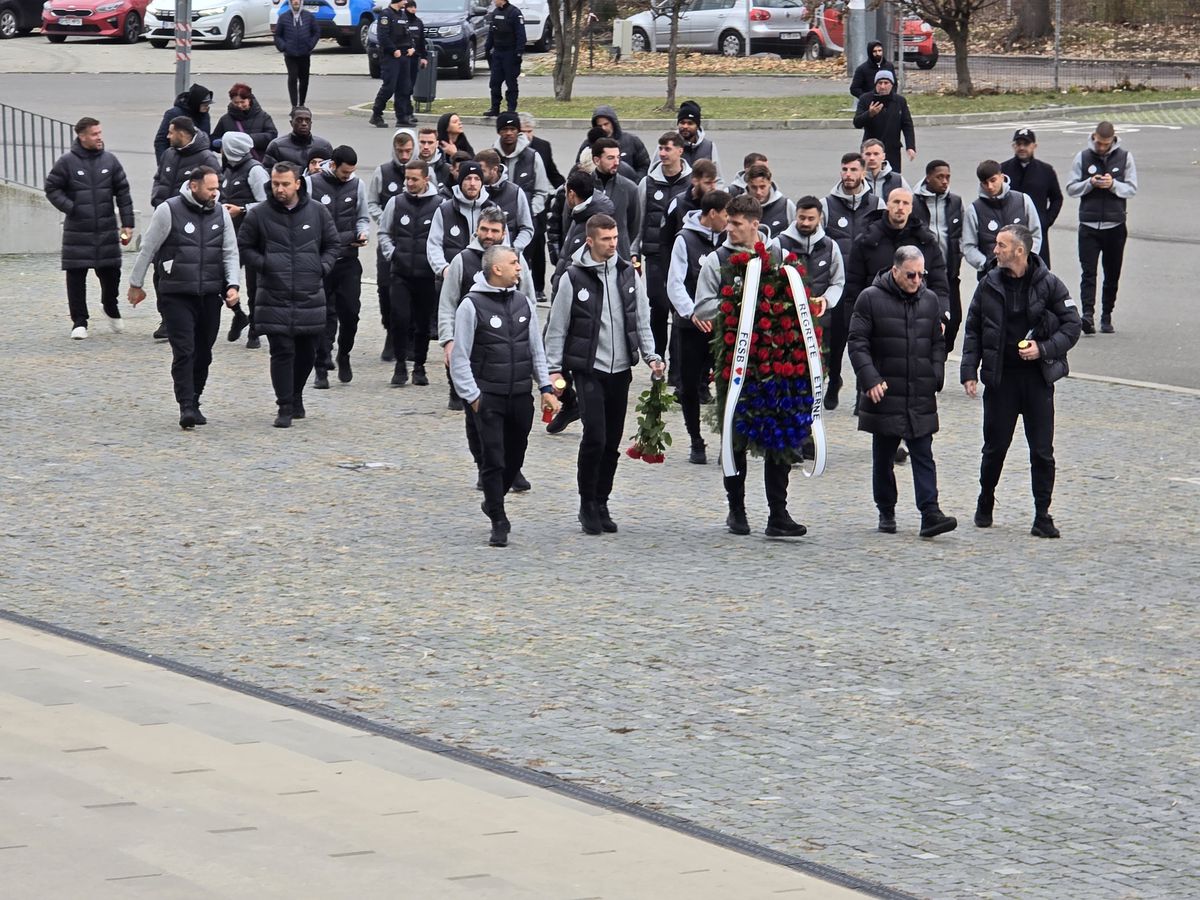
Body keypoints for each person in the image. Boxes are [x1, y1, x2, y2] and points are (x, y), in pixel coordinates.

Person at [693, 195, 806, 538]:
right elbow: (702, 306)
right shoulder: (717, 260)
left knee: (780, 435)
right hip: (735, 360)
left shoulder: (778, 256)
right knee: (736, 436)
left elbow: (796, 298)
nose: (729, 228)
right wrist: (736, 306)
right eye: (728, 221)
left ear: (755, 224)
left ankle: (778, 514)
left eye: (736, 223)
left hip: (775, 360)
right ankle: (737, 509)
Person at [545, 214, 663, 535]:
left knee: (611, 441)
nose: (613, 244)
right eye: (606, 239)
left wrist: (652, 356)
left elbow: (641, 318)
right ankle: (586, 503)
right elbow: (557, 327)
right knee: (595, 436)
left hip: (621, 370)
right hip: (588, 369)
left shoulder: (628, 273)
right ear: (590, 241)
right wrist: (553, 370)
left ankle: (602, 501)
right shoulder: (573, 277)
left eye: (615, 238)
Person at [961, 224, 1080, 539]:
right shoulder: (988, 284)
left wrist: (1044, 349)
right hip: (1002, 380)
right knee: (995, 448)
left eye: (1001, 245)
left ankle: (1042, 514)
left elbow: (1072, 326)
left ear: (1019, 251)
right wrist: (969, 371)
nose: (995, 250)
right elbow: (973, 328)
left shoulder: (1049, 284)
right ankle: (986, 497)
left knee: (1042, 451)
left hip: (1037, 380)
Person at [450, 245, 559, 547]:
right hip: (489, 397)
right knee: (494, 457)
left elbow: (536, 349)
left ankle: (493, 498)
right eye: (513, 263)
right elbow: (460, 357)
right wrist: (473, 397)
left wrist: (546, 387)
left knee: (516, 454)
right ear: (497, 269)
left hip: (521, 395)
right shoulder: (471, 305)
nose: (519, 267)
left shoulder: (523, 302)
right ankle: (498, 518)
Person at [847, 246, 956, 538]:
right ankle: (886, 510)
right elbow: (857, 342)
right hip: (885, 392)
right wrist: (870, 379)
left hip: (919, 391)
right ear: (895, 271)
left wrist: (936, 374)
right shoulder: (870, 298)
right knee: (884, 458)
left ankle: (930, 513)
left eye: (921, 274)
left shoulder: (929, 300)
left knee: (923, 453)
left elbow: (937, 342)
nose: (917, 280)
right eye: (911, 275)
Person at [128, 167, 240, 429]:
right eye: (210, 189)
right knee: (184, 351)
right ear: (193, 186)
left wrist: (233, 285)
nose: (215, 193)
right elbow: (148, 249)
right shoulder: (168, 210)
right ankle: (186, 405)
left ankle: (196, 398)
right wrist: (136, 284)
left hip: (209, 294)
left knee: (204, 353)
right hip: (176, 294)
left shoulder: (221, 214)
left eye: (217, 188)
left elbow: (230, 252)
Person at [438, 208, 536, 483]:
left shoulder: (516, 262)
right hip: (472, 351)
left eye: (494, 231)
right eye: (484, 229)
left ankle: (511, 468)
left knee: (511, 417)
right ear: (477, 230)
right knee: (476, 414)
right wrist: (448, 341)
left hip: (508, 350)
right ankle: (484, 465)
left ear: (504, 233)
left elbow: (527, 301)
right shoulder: (463, 260)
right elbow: (447, 303)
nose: (489, 235)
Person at [238, 162, 339, 428]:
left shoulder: (317, 212)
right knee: (282, 351)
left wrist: (321, 267)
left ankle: (296, 395)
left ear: (297, 184)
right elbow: (245, 246)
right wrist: (265, 264)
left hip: (309, 294)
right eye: (275, 184)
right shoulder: (259, 214)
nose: (279, 189)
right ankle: (284, 405)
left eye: (285, 184)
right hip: (274, 294)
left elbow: (332, 244)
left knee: (306, 353)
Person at [44, 117, 134, 340]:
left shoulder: (110, 161)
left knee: (111, 273)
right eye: (94, 134)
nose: (99, 137)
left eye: (100, 133)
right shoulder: (67, 162)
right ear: (82, 136)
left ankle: (110, 306)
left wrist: (128, 224)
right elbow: (52, 187)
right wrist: (71, 208)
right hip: (77, 230)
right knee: (76, 277)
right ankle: (79, 321)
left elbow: (123, 192)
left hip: (106, 229)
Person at [666, 189, 728, 464]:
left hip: (723, 327)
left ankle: (728, 441)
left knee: (726, 384)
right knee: (689, 386)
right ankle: (696, 440)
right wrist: (693, 312)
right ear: (712, 214)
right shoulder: (685, 239)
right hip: (691, 327)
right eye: (725, 215)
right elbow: (675, 282)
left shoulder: (728, 239)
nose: (729, 221)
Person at [819, 151, 884, 410]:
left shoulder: (876, 204)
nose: (848, 175)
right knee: (835, 342)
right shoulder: (827, 204)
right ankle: (833, 380)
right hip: (838, 286)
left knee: (864, 341)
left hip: (866, 286)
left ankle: (861, 392)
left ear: (863, 172)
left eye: (853, 170)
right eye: (845, 169)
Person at [306, 145, 370, 388]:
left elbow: (362, 217)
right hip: (321, 262)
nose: (348, 176)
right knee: (321, 316)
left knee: (351, 314)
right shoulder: (311, 184)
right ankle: (321, 366)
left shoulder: (357, 185)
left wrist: (362, 233)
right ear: (332, 165)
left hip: (347, 261)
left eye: (351, 172)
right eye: (344, 172)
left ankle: (344, 353)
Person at [1066, 121, 1138, 334]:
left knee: (1112, 273)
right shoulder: (1082, 157)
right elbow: (1071, 188)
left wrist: (1113, 185)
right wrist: (1090, 183)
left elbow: (1131, 189)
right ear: (1093, 137)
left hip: (1115, 224)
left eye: (1106, 144)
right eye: (1098, 143)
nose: (1101, 148)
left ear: (1113, 141)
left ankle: (1107, 315)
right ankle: (1088, 315)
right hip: (1089, 224)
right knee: (1088, 273)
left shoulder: (1125, 157)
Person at [378, 159, 443, 386]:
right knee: (400, 318)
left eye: (415, 179)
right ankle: (400, 364)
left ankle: (419, 365)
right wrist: (393, 253)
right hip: (401, 273)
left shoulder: (439, 205)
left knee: (423, 323)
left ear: (426, 179)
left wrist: (437, 263)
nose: (410, 183)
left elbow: (443, 238)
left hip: (426, 275)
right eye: (407, 178)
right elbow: (384, 232)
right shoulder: (396, 202)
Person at [633, 131, 692, 359]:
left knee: (679, 308)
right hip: (655, 255)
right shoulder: (647, 183)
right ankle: (657, 359)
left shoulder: (691, 182)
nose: (663, 153)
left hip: (683, 255)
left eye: (668, 149)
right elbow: (639, 221)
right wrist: (634, 252)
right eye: (660, 148)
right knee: (658, 305)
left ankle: (677, 363)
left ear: (680, 151)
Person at [776, 195, 846, 367]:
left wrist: (826, 300)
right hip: (786, 324)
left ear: (820, 218)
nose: (805, 222)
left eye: (811, 218)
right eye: (802, 217)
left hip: (820, 323)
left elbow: (838, 282)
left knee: (819, 370)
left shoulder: (831, 246)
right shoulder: (778, 244)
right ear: (795, 215)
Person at [367, 129, 415, 362]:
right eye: (400, 151)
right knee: (385, 289)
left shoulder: (421, 172)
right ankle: (390, 331)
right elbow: (372, 202)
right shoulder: (383, 172)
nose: (404, 156)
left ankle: (408, 338)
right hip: (389, 242)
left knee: (410, 292)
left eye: (408, 151)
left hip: (413, 243)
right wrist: (386, 218)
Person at [217, 131, 269, 347]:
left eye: (223, 146)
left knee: (254, 284)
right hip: (230, 235)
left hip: (253, 236)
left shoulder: (255, 170)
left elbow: (267, 203)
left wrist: (242, 209)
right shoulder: (228, 169)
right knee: (222, 277)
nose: (220, 150)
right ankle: (239, 314)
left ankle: (255, 329)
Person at [913, 159, 964, 352]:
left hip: (949, 273)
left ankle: (942, 354)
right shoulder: (914, 202)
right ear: (928, 178)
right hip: (922, 275)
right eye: (939, 177)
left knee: (954, 320)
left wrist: (958, 256)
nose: (945, 181)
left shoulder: (955, 202)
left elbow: (961, 234)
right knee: (924, 321)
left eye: (947, 177)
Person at [962, 159, 1042, 279]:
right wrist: (985, 264)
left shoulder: (1023, 200)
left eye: (993, 180)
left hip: (1023, 272)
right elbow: (968, 246)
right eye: (985, 183)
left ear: (1002, 177)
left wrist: (1028, 258)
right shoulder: (974, 210)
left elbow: (1035, 234)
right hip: (991, 276)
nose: (990, 186)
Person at [1001, 128, 1063, 268]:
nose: (1022, 148)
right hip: (1010, 232)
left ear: (1034, 146)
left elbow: (1057, 198)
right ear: (1014, 146)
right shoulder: (1004, 170)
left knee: (1038, 272)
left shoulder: (1046, 170)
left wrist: (1046, 221)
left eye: (1026, 144)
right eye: (1019, 144)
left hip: (1037, 232)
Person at [428, 160, 498, 281]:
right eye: (468, 178)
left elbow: (503, 244)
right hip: (452, 277)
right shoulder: (445, 210)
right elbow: (434, 244)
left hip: (486, 279)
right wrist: (443, 269)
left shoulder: (493, 209)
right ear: (460, 182)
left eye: (477, 179)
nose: (472, 183)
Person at [520, 112, 564, 301]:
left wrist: (565, 187)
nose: (527, 135)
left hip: (539, 205)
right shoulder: (510, 149)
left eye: (530, 131)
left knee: (538, 246)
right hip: (519, 203)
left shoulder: (543, 146)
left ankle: (538, 287)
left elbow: (552, 172)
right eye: (523, 131)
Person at [492, 112, 552, 240]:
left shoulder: (533, 156)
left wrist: (530, 212)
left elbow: (541, 191)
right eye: (504, 129)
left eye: (512, 129)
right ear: (498, 132)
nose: (509, 133)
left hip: (528, 223)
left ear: (518, 131)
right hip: (497, 224)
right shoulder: (492, 157)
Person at [852, 70, 915, 174]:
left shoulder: (900, 101)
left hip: (892, 149)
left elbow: (907, 124)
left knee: (893, 178)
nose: (882, 86)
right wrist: (869, 114)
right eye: (880, 83)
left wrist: (910, 146)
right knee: (870, 177)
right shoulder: (865, 99)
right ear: (875, 84)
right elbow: (857, 123)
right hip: (871, 150)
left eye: (886, 83)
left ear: (892, 85)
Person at [151, 116, 221, 209]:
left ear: (181, 135)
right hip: (163, 210)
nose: (168, 136)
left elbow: (217, 186)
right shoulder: (168, 153)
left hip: (188, 214)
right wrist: (156, 198)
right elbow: (158, 178)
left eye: (171, 133)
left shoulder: (206, 158)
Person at [475, 149, 534, 257]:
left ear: (494, 169)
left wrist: (513, 249)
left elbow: (526, 228)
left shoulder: (515, 192)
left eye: (482, 171)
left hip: (507, 257)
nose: (477, 175)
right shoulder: (473, 192)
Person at [590, 137, 640, 259]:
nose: (617, 162)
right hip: (589, 254)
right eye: (610, 158)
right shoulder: (584, 186)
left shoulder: (630, 188)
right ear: (596, 160)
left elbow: (634, 225)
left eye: (618, 157)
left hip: (619, 255)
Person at [370, 0, 418, 128]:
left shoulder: (403, 15)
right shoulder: (386, 15)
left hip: (404, 55)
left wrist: (412, 47)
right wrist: (393, 50)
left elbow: (408, 34)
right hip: (391, 57)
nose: (406, 2)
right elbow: (383, 36)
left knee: (404, 88)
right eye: (404, 0)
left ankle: (402, 118)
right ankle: (376, 114)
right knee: (389, 87)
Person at [576, 105, 650, 182]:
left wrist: (635, 183)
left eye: (606, 124)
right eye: (599, 126)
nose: (603, 128)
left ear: (613, 123)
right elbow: (579, 167)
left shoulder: (632, 141)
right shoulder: (588, 144)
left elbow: (644, 166)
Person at [211, 83, 278, 161]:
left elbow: (272, 136)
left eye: (242, 102)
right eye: (236, 102)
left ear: (249, 100)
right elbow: (214, 140)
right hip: (233, 163)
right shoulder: (225, 119)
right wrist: (223, 144)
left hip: (258, 161)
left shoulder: (263, 116)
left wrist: (246, 139)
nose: (239, 105)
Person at [274, 0, 320, 111]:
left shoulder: (309, 17)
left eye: (298, 0)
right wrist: (283, 46)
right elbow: (277, 35)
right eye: (293, 0)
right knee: (293, 77)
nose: (296, 2)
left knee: (304, 79)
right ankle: (294, 105)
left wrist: (310, 45)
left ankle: (302, 103)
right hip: (290, 55)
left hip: (304, 54)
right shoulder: (283, 17)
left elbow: (316, 32)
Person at [483, 0, 525, 117]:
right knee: (494, 82)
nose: (493, 1)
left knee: (511, 82)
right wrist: (487, 48)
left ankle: (511, 109)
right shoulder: (495, 12)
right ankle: (494, 108)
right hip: (498, 53)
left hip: (510, 53)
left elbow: (521, 35)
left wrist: (519, 53)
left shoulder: (515, 13)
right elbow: (491, 32)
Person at [153, 83, 212, 163]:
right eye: (204, 105)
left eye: (208, 105)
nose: (207, 107)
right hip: (175, 160)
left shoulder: (205, 116)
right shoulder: (174, 114)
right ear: (196, 103)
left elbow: (205, 140)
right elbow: (161, 141)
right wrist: (163, 164)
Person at [263, 107, 334, 169]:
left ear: (311, 123)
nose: (304, 123)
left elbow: (332, 170)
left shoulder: (324, 146)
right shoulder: (277, 146)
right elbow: (269, 172)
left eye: (307, 120)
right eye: (299, 120)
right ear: (291, 123)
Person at [742, 163, 794, 240]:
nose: (758, 192)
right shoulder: (738, 206)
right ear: (747, 185)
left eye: (762, 187)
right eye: (754, 187)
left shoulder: (786, 205)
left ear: (770, 183)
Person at [675, 101, 722, 181]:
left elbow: (717, 178)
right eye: (682, 123)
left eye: (690, 123)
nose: (685, 126)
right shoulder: (668, 145)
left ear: (697, 126)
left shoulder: (709, 147)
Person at [416, 126, 452, 192]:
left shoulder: (447, 169)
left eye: (430, 143)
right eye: (422, 142)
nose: (426, 147)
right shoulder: (408, 165)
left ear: (437, 144)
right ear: (417, 143)